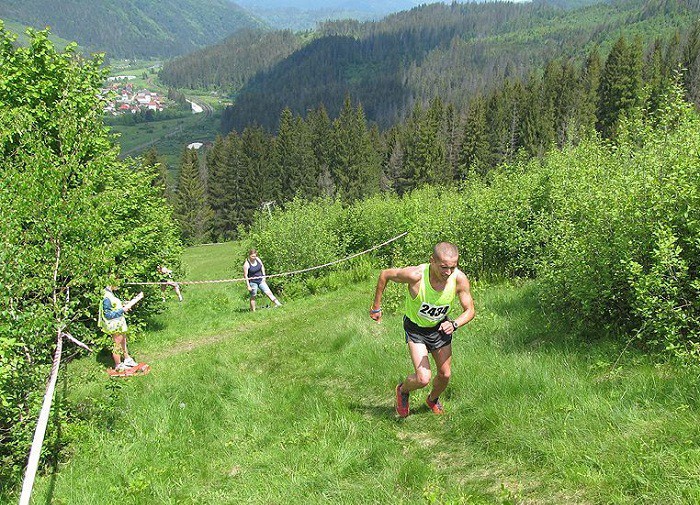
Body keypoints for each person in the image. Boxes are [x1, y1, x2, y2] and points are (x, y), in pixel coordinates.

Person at [370, 242, 475, 417]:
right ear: (432, 260)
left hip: (440, 328)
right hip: (416, 330)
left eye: (452, 267)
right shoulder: (415, 275)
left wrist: (455, 323)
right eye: (443, 267)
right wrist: (376, 306)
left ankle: (432, 400)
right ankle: (403, 390)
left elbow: (470, 310)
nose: (448, 272)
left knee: (445, 375)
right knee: (422, 378)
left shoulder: (458, 278)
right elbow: (385, 274)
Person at [98, 283, 142, 371]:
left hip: (118, 322)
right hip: (114, 324)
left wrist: (123, 304)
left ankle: (127, 359)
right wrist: (123, 310)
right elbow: (107, 314)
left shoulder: (110, 293)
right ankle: (118, 364)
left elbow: (113, 305)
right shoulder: (106, 296)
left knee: (123, 340)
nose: (119, 285)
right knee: (117, 344)